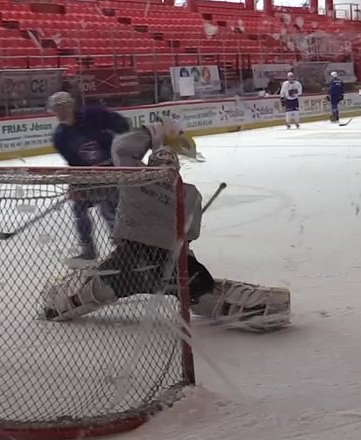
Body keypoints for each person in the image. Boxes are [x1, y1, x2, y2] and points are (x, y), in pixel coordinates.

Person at [41, 120, 290, 331]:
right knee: (201, 291)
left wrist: (154, 131)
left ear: (151, 165)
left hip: (129, 258)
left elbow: (121, 148)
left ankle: (60, 303)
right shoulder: (189, 194)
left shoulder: (136, 175)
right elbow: (189, 236)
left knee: (96, 288)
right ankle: (262, 308)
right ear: (176, 170)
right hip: (169, 261)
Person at [49, 91, 130, 262]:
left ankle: (124, 248)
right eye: (56, 109)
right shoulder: (60, 137)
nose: (60, 112)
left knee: (108, 209)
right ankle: (88, 250)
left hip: (113, 171)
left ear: (70, 105)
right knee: (79, 208)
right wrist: (76, 185)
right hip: (91, 177)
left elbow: (123, 125)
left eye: (63, 107)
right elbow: (74, 164)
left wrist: (122, 148)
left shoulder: (93, 115)